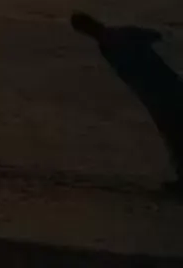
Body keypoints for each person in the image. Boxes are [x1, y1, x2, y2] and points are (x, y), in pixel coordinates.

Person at [71, 10, 183, 191]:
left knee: (176, 134)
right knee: (173, 135)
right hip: (157, 92)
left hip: (163, 89)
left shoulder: (115, 39)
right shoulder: (111, 41)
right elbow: (154, 36)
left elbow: (154, 37)